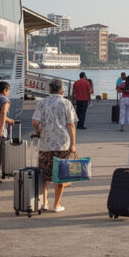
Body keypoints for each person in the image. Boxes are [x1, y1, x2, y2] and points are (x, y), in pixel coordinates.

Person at [32, 78, 77, 212]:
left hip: (46, 144)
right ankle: (57, 205)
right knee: (60, 174)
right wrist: (73, 144)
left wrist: (39, 130)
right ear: (62, 90)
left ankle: (44, 202)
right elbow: (71, 124)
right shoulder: (66, 103)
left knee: (45, 175)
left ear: (49, 90)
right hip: (62, 144)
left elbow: (35, 121)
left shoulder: (42, 103)